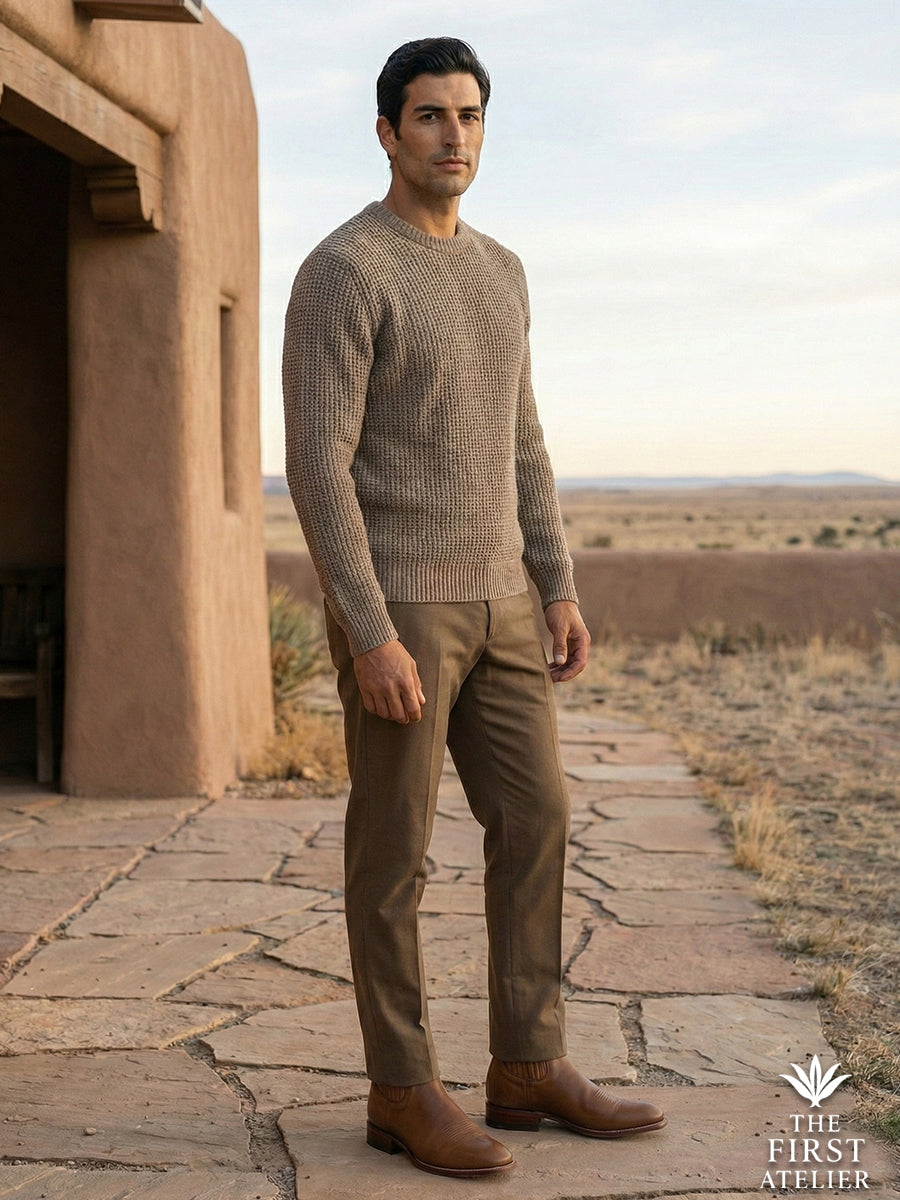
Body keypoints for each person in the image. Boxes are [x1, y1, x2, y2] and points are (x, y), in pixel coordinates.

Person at [282, 37, 666, 1179]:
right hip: (401, 604)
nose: (455, 136)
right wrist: (369, 627)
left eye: (471, 116)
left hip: (503, 602)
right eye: (431, 116)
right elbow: (316, 465)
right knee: (392, 857)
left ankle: (528, 1066)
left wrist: (556, 581)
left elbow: (522, 438)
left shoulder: (503, 269)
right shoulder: (344, 271)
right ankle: (401, 1089)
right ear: (389, 132)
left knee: (538, 818)